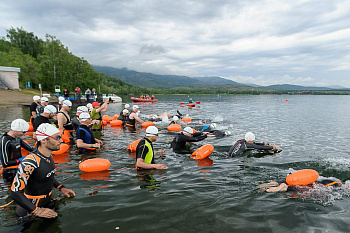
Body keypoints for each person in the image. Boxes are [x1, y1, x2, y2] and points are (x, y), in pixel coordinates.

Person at [10, 123, 76, 218]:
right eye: (57, 138)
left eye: (60, 137)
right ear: (44, 140)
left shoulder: (48, 155)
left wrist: (61, 187)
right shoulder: (30, 162)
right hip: (30, 211)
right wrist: (37, 211)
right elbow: (15, 192)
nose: (61, 141)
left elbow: (48, 175)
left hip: (47, 203)